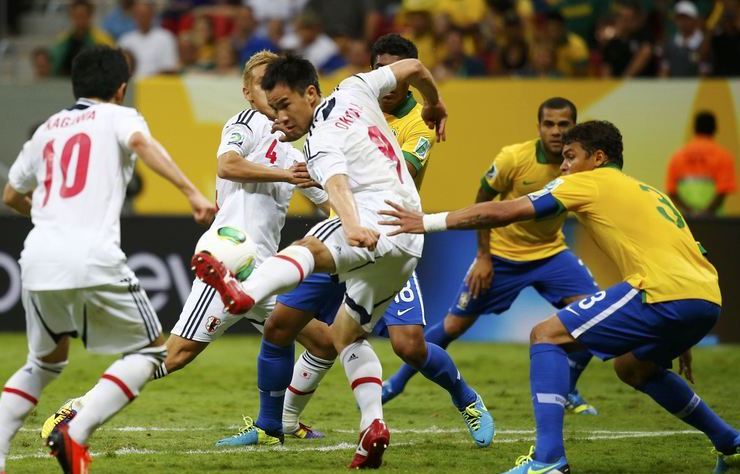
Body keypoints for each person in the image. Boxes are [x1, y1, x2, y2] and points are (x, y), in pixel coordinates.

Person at [381, 120, 740, 474]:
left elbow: (504, 211)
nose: (563, 166)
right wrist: (681, 336)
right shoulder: (651, 192)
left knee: (546, 335)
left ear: (598, 158)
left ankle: (549, 458)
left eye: (571, 157)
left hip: (661, 293)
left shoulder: (586, 182)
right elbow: (693, 253)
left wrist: (427, 221)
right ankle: (730, 441)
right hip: (704, 297)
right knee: (633, 367)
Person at [214, 34, 494, 450]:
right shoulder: (357, 87)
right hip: (357, 237)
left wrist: (351, 222)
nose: (277, 122)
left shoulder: (329, 136)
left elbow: (341, 183)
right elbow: (416, 71)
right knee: (294, 328)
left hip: (385, 229)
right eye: (272, 111)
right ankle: (284, 426)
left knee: (408, 344)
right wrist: (436, 100)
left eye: (283, 107)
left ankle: (467, 399)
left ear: (310, 93)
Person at [39, 50, 329, 441]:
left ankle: (278, 425)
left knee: (323, 341)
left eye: (278, 86)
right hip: (229, 264)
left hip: (264, 271)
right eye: (264, 85)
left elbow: (326, 198)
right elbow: (227, 165)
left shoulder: (292, 151)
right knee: (173, 356)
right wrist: (288, 176)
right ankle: (78, 408)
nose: (272, 93)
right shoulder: (246, 124)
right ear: (248, 92)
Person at [0, 46, 215, 474]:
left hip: (38, 256)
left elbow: (10, 194)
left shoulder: (47, 129)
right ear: (120, 88)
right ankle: (76, 432)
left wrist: (48, 216)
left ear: (75, 85)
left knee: (42, 363)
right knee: (150, 352)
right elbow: (142, 144)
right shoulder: (119, 117)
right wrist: (192, 193)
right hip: (93, 257)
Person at [382, 97, 600, 415]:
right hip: (502, 257)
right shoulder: (514, 158)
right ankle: (397, 383)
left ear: (574, 126)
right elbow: (485, 198)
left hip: (552, 254)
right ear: (538, 126)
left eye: (563, 124)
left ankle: (568, 388)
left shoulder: (580, 167)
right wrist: (484, 256)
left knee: (595, 317)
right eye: (548, 124)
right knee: (453, 326)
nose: (555, 131)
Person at [666, 111, 737, 216]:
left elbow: (672, 192)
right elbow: (722, 192)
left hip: (684, 220)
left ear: (694, 128)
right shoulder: (723, 156)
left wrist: (691, 212)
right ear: (715, 128)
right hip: (715, 221)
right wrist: (705, 214)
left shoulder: (678, 156)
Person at [51, 0, 114, 77]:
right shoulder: (62, 41)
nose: (79, 20)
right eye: (76, 16)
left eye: (82, 16)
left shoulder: (103, 40)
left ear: (90, 16)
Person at [118, 0, 179, 78]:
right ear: (134, 16)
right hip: (131, 86)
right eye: (139, 15)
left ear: (152, 15)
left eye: (145, 14)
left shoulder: (166, 37)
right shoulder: (125, 40)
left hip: (157, 85)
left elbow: (169, 68)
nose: (142, 18)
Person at [659, 1, 708, 77]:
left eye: (686, 18)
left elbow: (704, 71)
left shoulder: (703, 42)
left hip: (696, 86)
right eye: (679, 18)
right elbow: (664, 69)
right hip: (674, 86)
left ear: (694, 19)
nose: (683, 22)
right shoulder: (671, 43)